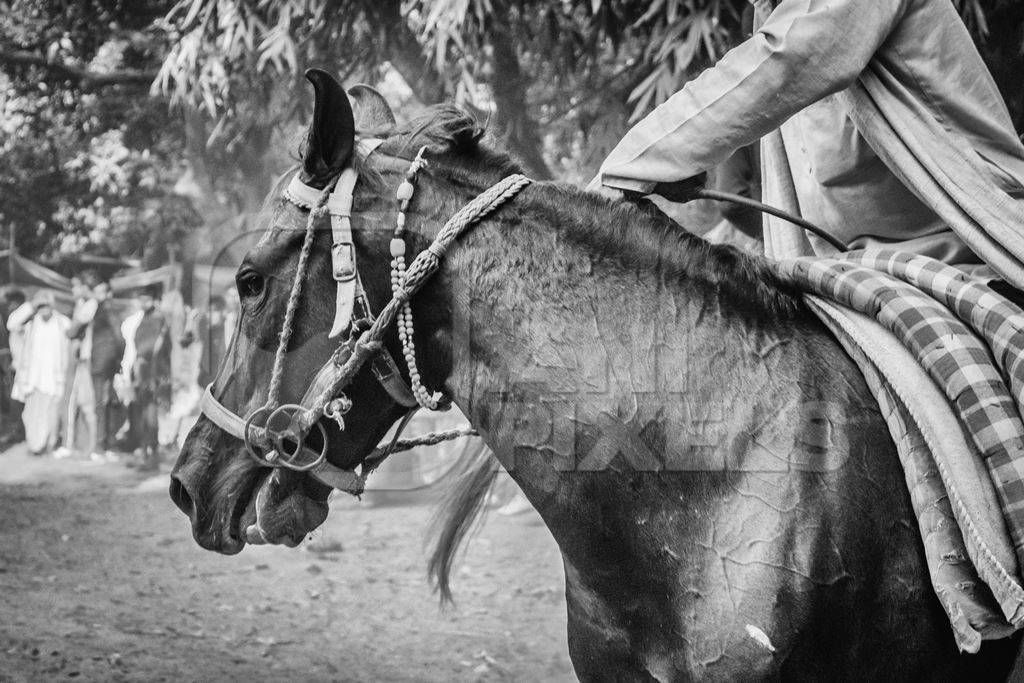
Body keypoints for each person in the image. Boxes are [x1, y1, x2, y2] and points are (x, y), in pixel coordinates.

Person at [588, 0, 1024, 295]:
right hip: (852, 277)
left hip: (971, 257)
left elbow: (787, 58)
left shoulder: (812, 25)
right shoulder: (773, 15)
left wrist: (631, 167)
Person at [6, 291, 71, 456]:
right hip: (33, 378)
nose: (43, 309)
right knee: (30, 415)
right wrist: (30, 305)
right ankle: (35, 446)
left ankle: (45, 445)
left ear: (52, 305)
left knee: (50, 414)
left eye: (45, 305)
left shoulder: (63, 323)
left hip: (53, 378)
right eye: (40, 306)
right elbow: (11, 324)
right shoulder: (31, 323)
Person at [117, 284, 171, 471]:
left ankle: (151, 455)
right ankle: (145, 452)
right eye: (141, 298)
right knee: (142, 414)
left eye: (146, 298)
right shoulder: (146, 318)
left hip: (151, 372)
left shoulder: (157, 318)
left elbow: (155, 348)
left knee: (150, 415)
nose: (143, 301)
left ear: (154, 299)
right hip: (141, 370)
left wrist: (153, 374)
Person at [0, 288, 27, 448]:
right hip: (11, 361)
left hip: (14, 364)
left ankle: (17, 432)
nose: (8, 306)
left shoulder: (18, 319)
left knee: (14, 399)